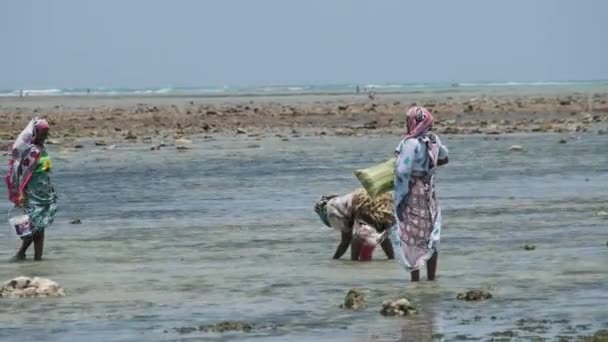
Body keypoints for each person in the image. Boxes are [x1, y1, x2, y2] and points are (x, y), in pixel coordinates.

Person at [391, 106, 448, 281]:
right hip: (429, 193)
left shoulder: (410, 143)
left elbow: (402, 171)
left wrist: (397, 197)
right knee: (432, 235)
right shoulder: (433, 140)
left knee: (412, 236)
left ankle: (415, 281)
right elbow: (445, 158)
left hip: (413, 193)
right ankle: (431, 279)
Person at [5, 118, 57, 261]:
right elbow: (20, 174)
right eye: (42, 132)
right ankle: (30, 256)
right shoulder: (30, 151)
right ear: (35, 132)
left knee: (40, 226)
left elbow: (45, 171)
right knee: (36, 227)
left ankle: (33, 256)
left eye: (46, 133)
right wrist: (21, 194)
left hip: (45, 193)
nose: (44, 136)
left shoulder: (43, 149)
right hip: (31, 194)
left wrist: (51, 188)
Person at [314, 189, 394, 261]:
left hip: (360, 202)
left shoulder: (332, 211)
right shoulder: (340, 201)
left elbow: (345, 241)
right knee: (381, 231)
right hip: (376, 196)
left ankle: (354, 263)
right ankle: (391, 259)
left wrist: (335, 258)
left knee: (357, 238)